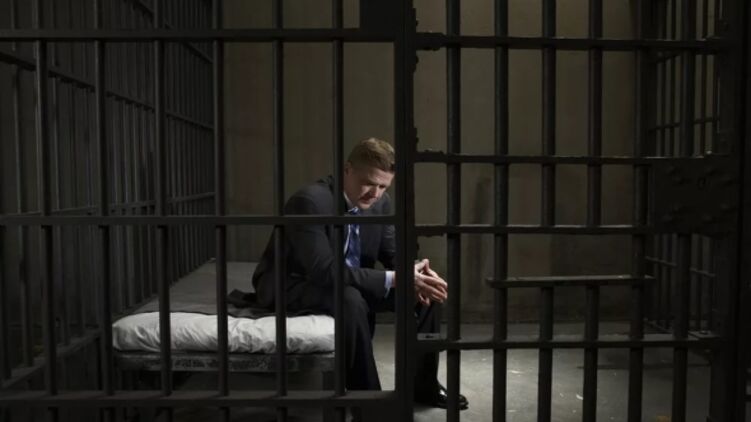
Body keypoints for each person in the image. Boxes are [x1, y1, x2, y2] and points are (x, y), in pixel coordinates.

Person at [252, 138, 468, 410]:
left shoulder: (381, 202)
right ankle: (368, 402)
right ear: (347, 170)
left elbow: (392, 253)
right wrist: (396, 278)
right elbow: (323, 270)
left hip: (347, 280)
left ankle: (424, 385)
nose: (375, 193)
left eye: (383, 186)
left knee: (427, 294)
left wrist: (416, 272)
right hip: (294, 284)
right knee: (350, 299)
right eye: (368, 183)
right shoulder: (309, 201)